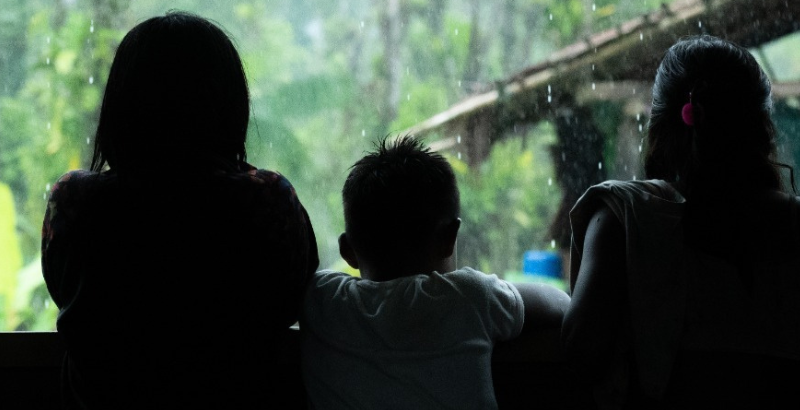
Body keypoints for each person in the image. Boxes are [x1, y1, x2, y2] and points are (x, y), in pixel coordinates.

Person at [40, 11, 319, 409]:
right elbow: (293, 299)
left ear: (121, 106)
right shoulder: (266, 200)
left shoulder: (75, 201)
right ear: (227, 105)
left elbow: (63, 287)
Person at [564, 35, 800, 408]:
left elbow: (582, 352)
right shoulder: (792, 225)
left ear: (659, 123)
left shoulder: (624, 217)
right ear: (762, 128)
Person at [301, 134, 569, 410]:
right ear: (450, 238)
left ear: (347, 250)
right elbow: (560, 303)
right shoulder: (468, 296)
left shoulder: (322, 299)